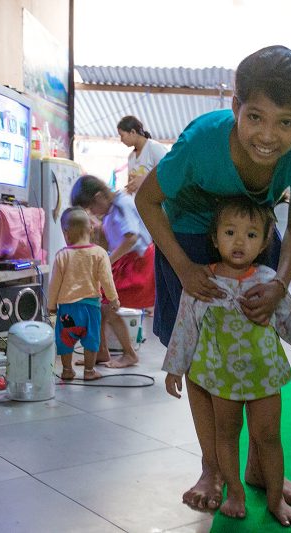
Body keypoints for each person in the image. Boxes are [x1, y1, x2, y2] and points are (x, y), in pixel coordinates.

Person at [135, 45, 291, 512]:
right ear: (235, 108)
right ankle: (213, 468)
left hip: (251, 231)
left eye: (286, 122)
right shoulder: (203, 142)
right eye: (255, 117)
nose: (268, 136)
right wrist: (185, 269)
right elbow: (147, 201)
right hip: (186, 233)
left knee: (251, 339)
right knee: (204, 354)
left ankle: (260, 470)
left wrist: (279, 286)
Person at [163, 197, 291, 525]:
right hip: (221, 377)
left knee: (269, 436)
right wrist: (175, 368)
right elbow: (184, 328)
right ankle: (234, 491)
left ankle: (275, 499)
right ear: (215, 237)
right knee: (227, 434)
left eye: (250, 235)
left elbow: (287, 312)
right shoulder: (201, 282)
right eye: (230, 232)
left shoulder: (268, 279)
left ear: (264, 241)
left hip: (264, 375)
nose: (238, 241)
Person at [71, 174, 155, 368]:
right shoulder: (109, 212)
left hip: (137, 261)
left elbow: (132, 238)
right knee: (98, 303)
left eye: (91, 207)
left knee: (108, 305)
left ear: (99, 196)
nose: (92, 212)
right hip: (125, 260)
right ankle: (101, 352)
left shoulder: (122, 204)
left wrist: (107, 261)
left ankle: (129, 353)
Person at [47, 207, 120, 381]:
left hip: (67, 308)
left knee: (65, 340)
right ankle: (89, 371)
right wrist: (113, 299)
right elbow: (107, 280)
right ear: (91, 229)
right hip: (91, 307)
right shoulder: (99, 253)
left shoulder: (62, 255)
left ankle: (66, 370)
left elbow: (54, 284)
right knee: (91, 339)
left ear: (66, 234)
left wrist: (51, 306)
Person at [117, 115, 169, 194]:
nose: (121, 140)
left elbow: (168, 173)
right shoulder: (131, 157)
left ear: (133, 132)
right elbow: (130, 186)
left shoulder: (154, 148)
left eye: (122, 135)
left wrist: (145, 180)